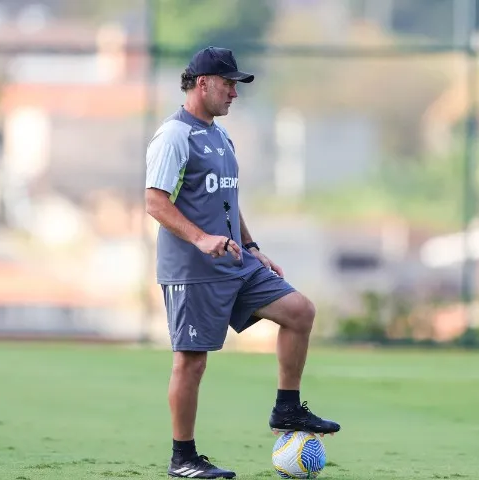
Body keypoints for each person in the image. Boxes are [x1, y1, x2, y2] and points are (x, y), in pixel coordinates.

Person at [144, 46, 340, 479]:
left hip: (235, 262)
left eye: (236, 84)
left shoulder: (219, 135)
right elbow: (155, 202)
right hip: (193, 269)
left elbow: (226, 199)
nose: (234, 92)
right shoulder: (174, 135)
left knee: (299, 311)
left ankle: (286, 411)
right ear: (203, 83)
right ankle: (184, 459)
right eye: (229, 83)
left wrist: (252, 247)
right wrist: (200, 238)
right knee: (191, 361)